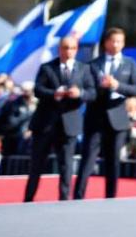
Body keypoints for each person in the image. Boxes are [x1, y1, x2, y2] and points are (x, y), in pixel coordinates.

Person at [74, 27, 136, 200]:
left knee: (113, 162)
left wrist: (117, 85)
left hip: (117, 119)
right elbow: (87, 89)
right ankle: (78, 196)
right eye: (113, 41)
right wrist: (100, 87)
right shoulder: (93, 64)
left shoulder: (130, 64)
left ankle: (111, 198)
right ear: (106, 43)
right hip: (95, 118)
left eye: (120, 41)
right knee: (88, 160)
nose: (116, 44)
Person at [23, 36, 95, 202]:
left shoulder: (84, 69)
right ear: (59, 49)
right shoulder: (47, 68)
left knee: (66, 166)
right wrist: (54, 94)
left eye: (72, 48)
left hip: (69, 125)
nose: (68, 51)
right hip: (45, 124)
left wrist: (80, 94)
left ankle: (64, 199)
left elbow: (92, 92)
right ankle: (28, 199)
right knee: (36, 165)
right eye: (65, 48)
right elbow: (38, 90)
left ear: (76, 50)